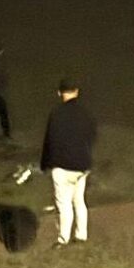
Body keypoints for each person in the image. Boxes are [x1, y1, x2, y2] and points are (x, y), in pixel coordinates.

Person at [40, 79, 97, 247]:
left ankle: (63, 239)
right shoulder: (86, 113)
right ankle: (81, 235)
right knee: (79, 200)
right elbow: (92, 135)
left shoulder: (56, 113)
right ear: (76, 91)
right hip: (82, 165)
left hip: (62, 166)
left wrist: (45, 164)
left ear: (59, 93)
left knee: (64, 204)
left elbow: (49, 141)